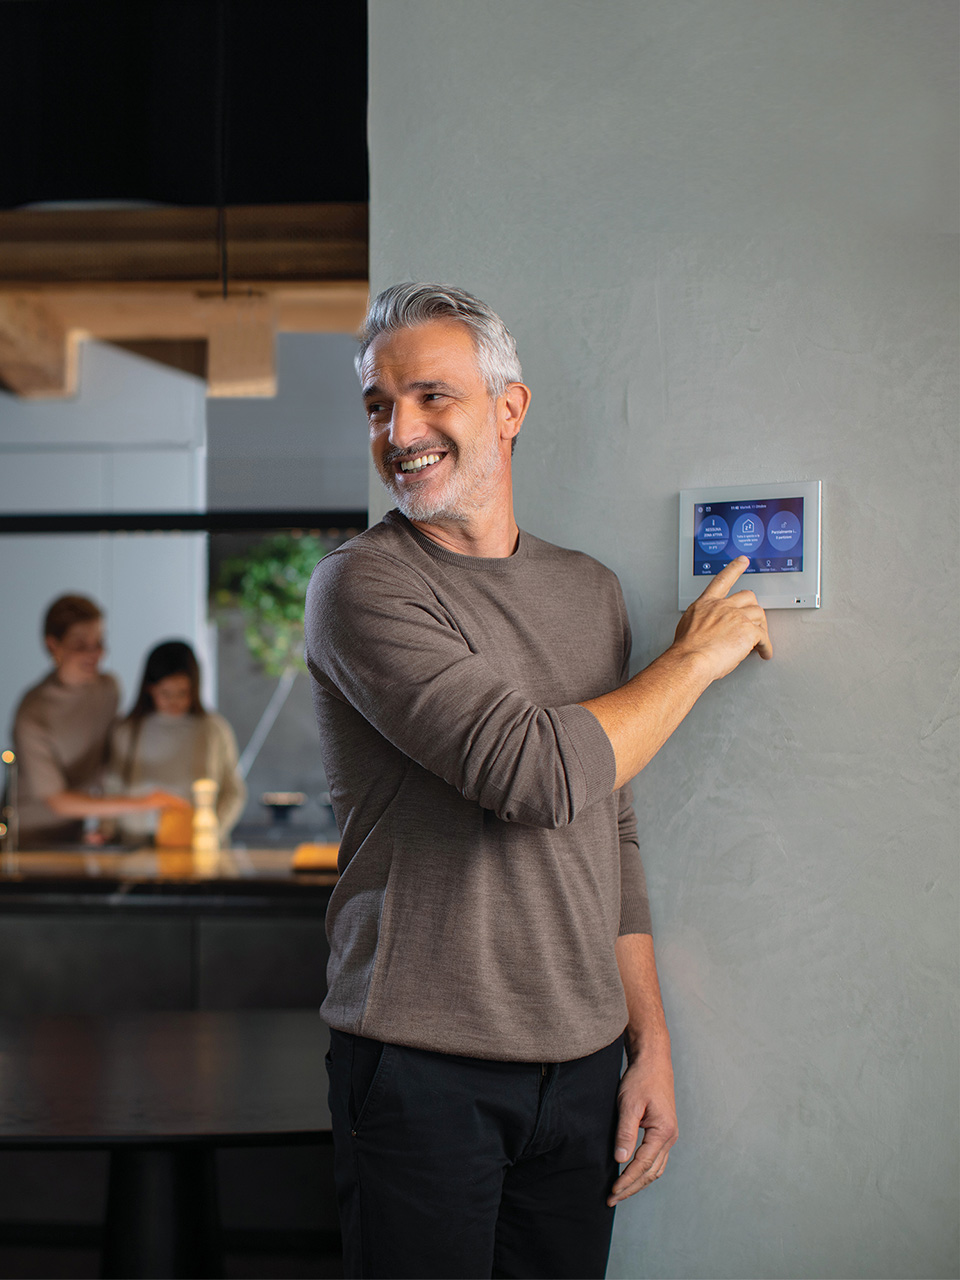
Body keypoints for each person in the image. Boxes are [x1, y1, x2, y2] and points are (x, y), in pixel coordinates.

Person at [304, 283, 772, 1280]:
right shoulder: (362, 585)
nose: (401, 429)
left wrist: (649, 1040)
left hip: (583, 1059)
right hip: (419, 1063)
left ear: (509, 409)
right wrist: (693, 660)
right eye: (380, 406)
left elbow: (613, 824)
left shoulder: (588, 589)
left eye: (433, 396)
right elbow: (537, 774)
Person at [12, 595, 190, 848]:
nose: (95, 653)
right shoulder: (33, 713)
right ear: (53, 646)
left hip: (75, 834)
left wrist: (102, 824)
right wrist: (144, 802)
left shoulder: (107, 689)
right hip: (29, 838)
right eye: (80, 644)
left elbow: (107, 763)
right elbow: (57, 800)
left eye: (99, 642)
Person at [106, 640, 246, 845]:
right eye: (166, 694)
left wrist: (212, 831)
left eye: (182, 693)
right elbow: (112, 786)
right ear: (150, 689)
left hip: (194, 844)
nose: (174, 702)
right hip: (136, 844)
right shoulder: (127, 730)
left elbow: (233, 792)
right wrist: (106, 829)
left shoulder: (213, 729)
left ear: (195, 687)